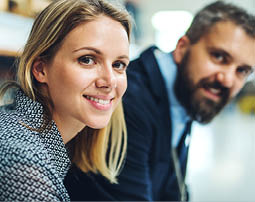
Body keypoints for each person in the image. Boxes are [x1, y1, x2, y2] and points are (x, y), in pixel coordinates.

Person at [64, 1, 255, 201]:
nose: (228, 79)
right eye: (219, 57)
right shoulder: (128, 103)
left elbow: (174, 187)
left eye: (242, 71)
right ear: (182, 48)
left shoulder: (186, 92)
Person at [0, 0, 132, 200]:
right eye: (87, 59)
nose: (110, 81)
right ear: (40, 69)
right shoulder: (23, 162)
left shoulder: (26, 135)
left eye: (119, 64)